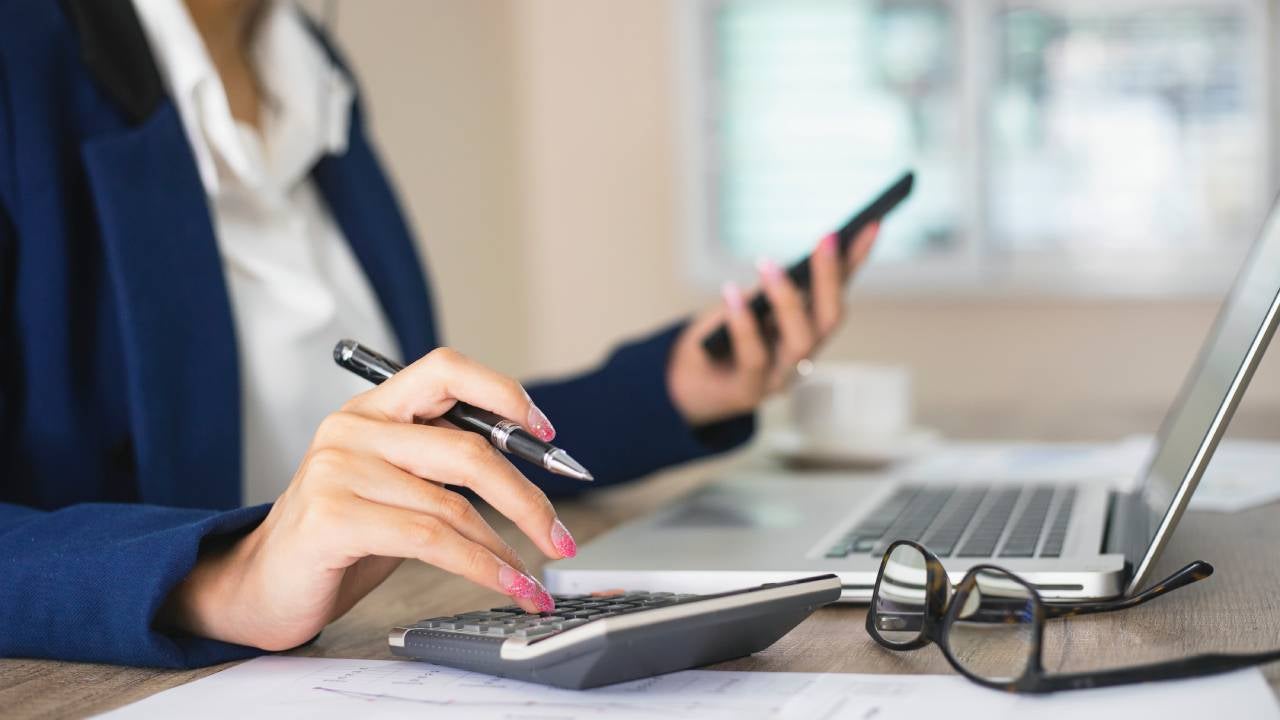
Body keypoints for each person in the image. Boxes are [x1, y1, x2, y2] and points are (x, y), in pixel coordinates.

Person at [0, 0, 879, 667]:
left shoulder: (311, 74)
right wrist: (218, 580)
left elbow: (436, 439)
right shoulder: (23, 60)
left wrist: (676, 388)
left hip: (374, 646)